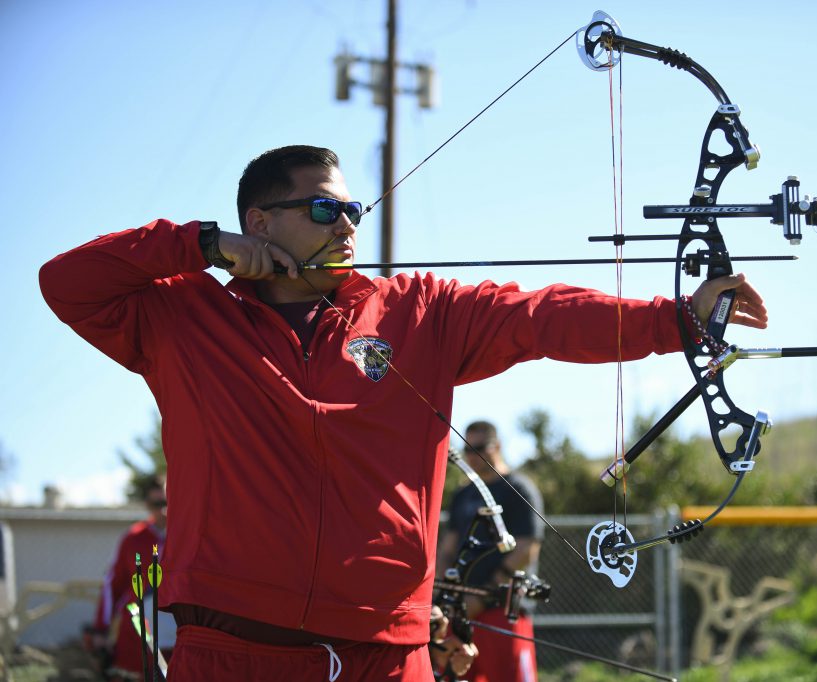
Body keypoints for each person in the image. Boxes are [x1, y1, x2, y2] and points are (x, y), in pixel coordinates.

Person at [39, 145, 767, 681]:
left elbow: (538, 318)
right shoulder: (181, 319)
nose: (347, 224)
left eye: (352, 209)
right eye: (324, 208)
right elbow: (66, 281)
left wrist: (676, 319)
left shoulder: (420, 312)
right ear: (258, 222)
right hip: (232, 653)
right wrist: (198, 244)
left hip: (386, 657)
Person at [438, 421, 544, 682]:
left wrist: (482, 599)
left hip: (501, 610)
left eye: (479, 448)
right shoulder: (463, 493)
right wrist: (446, 594)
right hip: (460, 612)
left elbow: (527, 549)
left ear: (497, 446)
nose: (472, 456)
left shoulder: (519, 489)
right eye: (467, 449)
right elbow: (447, 548)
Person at [89, 475, 168, 681]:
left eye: (168, 502)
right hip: (136, 637)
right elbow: (112, 586)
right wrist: (101, 629)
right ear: (147, 505)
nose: (163, 510)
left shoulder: (189, 536)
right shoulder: (133, 538)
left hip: (179, 638)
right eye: (156, 503)